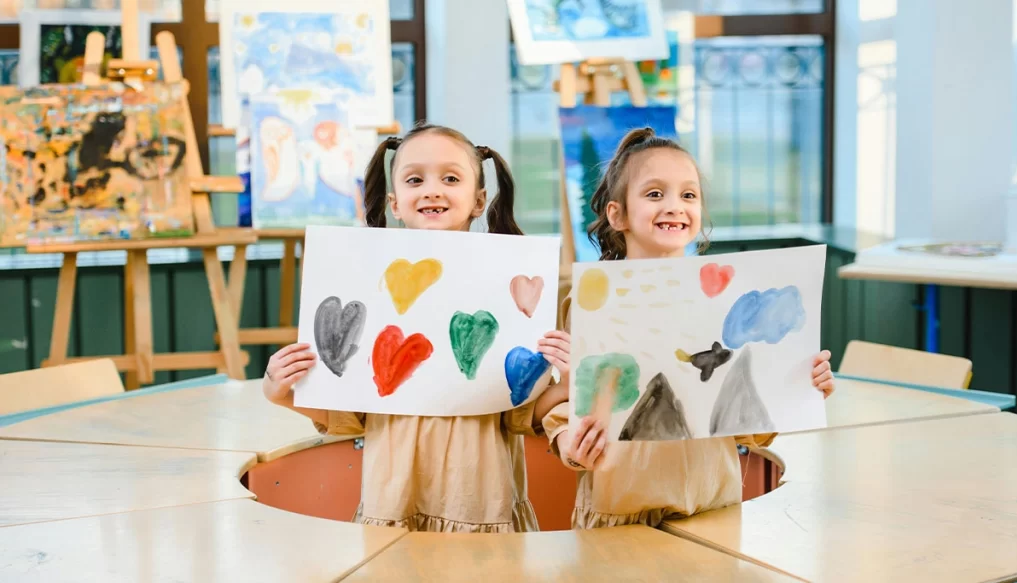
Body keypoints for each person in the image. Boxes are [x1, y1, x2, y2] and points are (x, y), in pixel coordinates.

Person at [262, 122, 571, 532]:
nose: (432, 189)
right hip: (395, 503)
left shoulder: (507, 289)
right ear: (395, 201)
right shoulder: (369, 286)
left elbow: (523, 413)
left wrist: (573, 380)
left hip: (480, 505)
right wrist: (281, 392)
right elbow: (350, 415)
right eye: (414, 179)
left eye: (450, 178)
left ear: (479, 200)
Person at [543, 127, 836, 529]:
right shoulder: (592, 302)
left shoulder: (725, 302)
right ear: (618, 214)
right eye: (654, 193)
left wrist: (799, 384)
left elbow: (748, 425)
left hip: (712, 507)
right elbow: (563, 400)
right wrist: (569, 442)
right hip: (620, 509)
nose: (674, 206)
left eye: (688, 195)